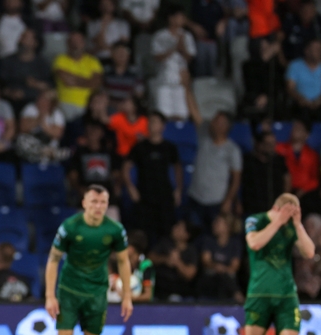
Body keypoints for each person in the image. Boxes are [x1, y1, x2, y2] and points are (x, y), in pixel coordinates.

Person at [45, 185, 133, 335]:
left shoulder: (114, 230)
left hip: (96, 293)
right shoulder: (70, 227)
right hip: (70, 291)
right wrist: (49, 295)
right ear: (84, 203)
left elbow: (123, 261)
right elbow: (54, 259)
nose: (98, 207)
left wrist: (127, 297)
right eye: (94, 202)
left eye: (103, 202)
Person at [236, 193, 315, 335]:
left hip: (287, 296)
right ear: (278, 208)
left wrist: (298, 225)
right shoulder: (256, 220)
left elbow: (309, 252)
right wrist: (278, 222)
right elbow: (254, 243)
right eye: (290, 212)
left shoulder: (291, 227)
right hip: (259, 295)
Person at [123, 112, 183, 243]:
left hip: (164, 196)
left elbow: (178, 168)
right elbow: (126, 167)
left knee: (166, 234)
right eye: (149, 122)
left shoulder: (169, 147)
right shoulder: (140, 147)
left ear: (163, 126)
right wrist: (130, 187)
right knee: (143, 234)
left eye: (155, 122)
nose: (151, 125)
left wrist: (178, 189)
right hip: (144, 197)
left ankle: (163, 261)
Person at [186, 96, 243, 233]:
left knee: (213, 234)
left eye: (217, 120)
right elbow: (194, 113)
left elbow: (236, 179)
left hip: (216, 201)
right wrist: (187, 88)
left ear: (225, 126)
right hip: (195, 197)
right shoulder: (204, 135)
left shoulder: (232, 150)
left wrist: (228, 200)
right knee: (193, 233)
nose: (212, 122)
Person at [151, 5, 196, 120]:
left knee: (182, 116)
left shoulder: (187, 36)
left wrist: (182, 48)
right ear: (171, 18)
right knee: (163, 117)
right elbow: (157, 57)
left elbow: (189, 58)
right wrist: (174, 47)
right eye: (180, 17)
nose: (182, 20)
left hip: (181, 83)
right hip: (164, 83)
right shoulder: (160, 36)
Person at [0, 28, 52, 114]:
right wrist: (10, 93)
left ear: (35, 43)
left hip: (34, 106)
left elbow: (50, 87)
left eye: (25, 37)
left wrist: (36, 84)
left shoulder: (42, 64)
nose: (21, 40)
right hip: (8, 105)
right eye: (21, 36)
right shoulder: (7, 61)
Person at [53, 30, 103, 122]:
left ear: (83, 43)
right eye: (72, 41)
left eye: (78, 41)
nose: (75, 45)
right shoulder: (60, 59)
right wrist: (88, 81)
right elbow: (67, 81)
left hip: (88, 104)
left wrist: (75, 79)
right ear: (68, 43)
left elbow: (96, 83)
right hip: (66, 103)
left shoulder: (93, 61)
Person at [241, 131, 291, 218]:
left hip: (275, 208)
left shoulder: (278, 160)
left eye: (273, 143)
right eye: (268, 143)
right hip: (252, 208)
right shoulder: (248, 161)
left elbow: (287, 179)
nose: (272, 147)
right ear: (259, 144)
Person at [68, 120, 121, 198]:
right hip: (86, 195)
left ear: (102, 133)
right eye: (89, 130)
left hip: (106, 195)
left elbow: (117, 173)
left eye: (95, 130)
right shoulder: (79, 153)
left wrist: (117, 186)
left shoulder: (109, 153)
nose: (92, 133)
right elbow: (73, 175)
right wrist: (79, 189)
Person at [149, 219, 199, 300]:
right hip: (159, 286)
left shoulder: (191, 251)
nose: (174, 228)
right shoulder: (165, 242)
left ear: (187, 235)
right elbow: (150, 258)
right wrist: (165, 259)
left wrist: (177, 262)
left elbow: (190, 275)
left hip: (178, 289)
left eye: (179, 227)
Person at [197, 214, 243, 301]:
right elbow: (205, 260)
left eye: (218, 223)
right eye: (214, 222)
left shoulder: (235, 244)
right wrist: (216, 266)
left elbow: (234, 266)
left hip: (227, 278)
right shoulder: (209, 240)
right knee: (220, 278)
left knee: (225, 278)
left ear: (227, 227)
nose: (214, 225)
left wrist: (223, 269)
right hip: (210, 276)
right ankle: (237, 294)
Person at [285, 39, 321, 123]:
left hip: (320, 105)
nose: (320, 52)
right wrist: (301, 99)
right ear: (307, 51)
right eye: (316, 49)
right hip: (300, 103)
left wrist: (319, 101)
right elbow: (290, 88)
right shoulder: (295, 65)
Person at [15, 89, 65, 163]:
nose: (42, 102)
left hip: (48, 145)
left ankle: (47, 154)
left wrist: (44, 125)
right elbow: (23, 128)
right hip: (31, 145)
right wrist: (39, 119)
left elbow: (58, 134)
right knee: (20, 139)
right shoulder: (30, 108)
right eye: (41, 99)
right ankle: (47, 153)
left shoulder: (57, 114)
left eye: (46, 100)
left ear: (51, 102)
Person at [275, 119, 321, 197]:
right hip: (281, 190)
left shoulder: (313, 155)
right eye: (294, 128)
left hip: (305, 193)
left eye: (299, 128)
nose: (295, 130)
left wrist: (304, 190)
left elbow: (315, 179)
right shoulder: (278, 149)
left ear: (307, 134)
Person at [103, 42, 144, 109]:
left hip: (128, 106)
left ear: (129, 55)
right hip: (110, 106)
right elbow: (103, 92)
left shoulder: (135, 72)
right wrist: (114, 104)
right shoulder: (106, 71)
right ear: (112, 54)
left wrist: (127, 103)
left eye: (124, 53)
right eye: (118, 53)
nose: (121, 55)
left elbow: (139, 93)